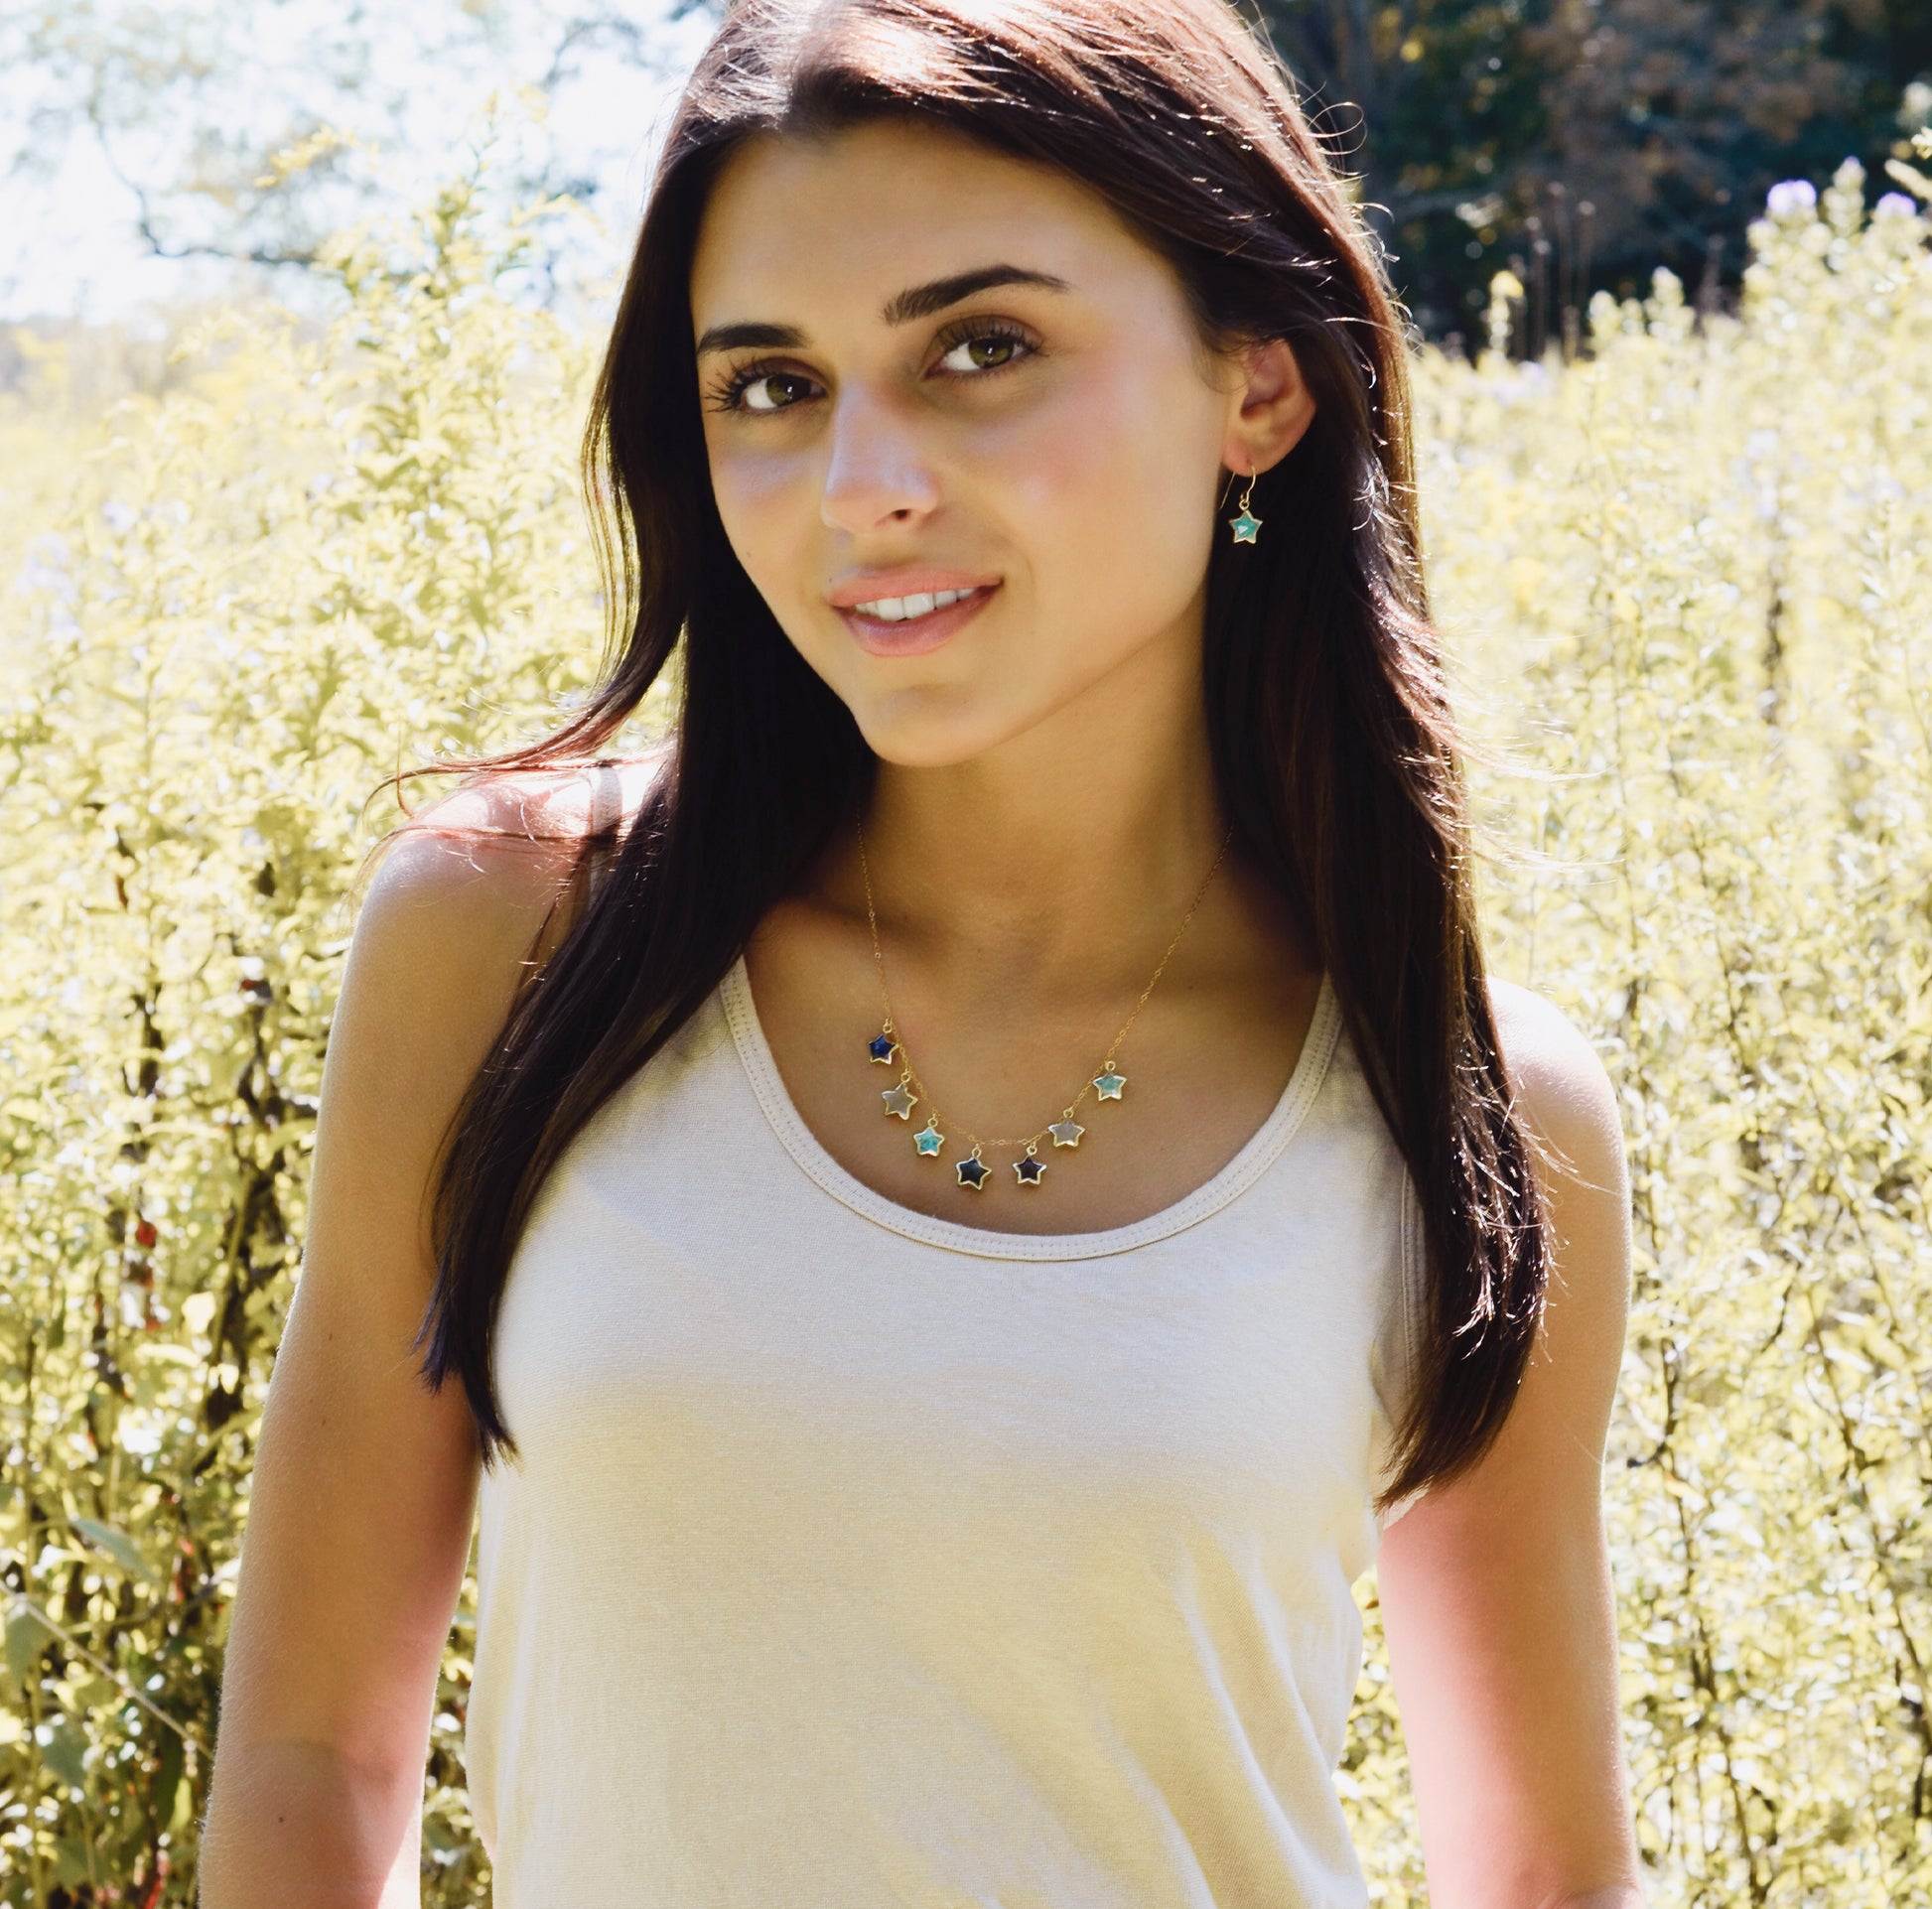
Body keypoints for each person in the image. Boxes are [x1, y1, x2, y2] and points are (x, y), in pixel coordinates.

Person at [199, 1, 1641, 1904]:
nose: (857, 484)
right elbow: (312, 1758)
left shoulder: (1469, 1110)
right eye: (771, 385)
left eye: (981, 347)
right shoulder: (513, 937)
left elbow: (1543, 1878)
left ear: (1259, 386)